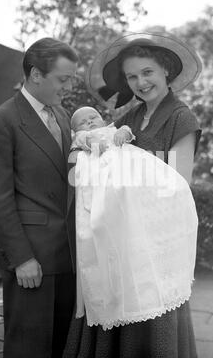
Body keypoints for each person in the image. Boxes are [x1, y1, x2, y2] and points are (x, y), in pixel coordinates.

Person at [62, 32, 202, 358]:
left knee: (150, 324)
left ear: (166, 70)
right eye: (132, 76)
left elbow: (177, 186)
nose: (140, 82)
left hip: (155, 244)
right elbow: (100, 157)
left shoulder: (182, 118)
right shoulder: (128, 119)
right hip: (120, 239)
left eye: (148, 72)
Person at [0, 37, 78, 358]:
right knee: (29, 356)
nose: (67, 87)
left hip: (68, 256)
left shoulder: (62, 115)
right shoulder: (0, 121)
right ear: (35, 74)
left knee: (63, 352)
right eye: (62, 79)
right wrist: (22, 259)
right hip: (31, 261)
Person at [67, 105, 198, 332]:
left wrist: (122, 134)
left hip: (129, 160)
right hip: (104, 164)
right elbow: (83, 145)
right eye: (82, 122)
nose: (89, 123)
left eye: (93, 117)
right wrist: (95, 142)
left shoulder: (115, 127)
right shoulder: (84, 137)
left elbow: (127, 131)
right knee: (110, 200)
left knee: (154, 179)